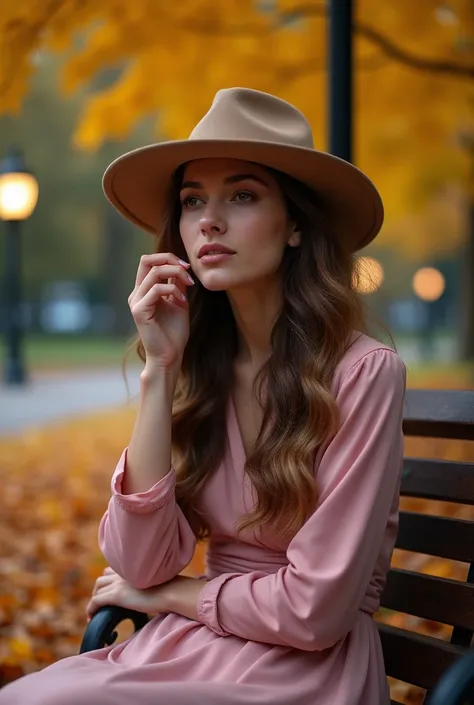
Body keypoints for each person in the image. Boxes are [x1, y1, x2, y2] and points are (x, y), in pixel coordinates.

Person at [0, 87, 406, 705]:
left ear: (296, 224)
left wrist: (168, 598)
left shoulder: (362, 372)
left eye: (242, 196)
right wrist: (160, 370)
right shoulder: (199, 365)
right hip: (192, 647)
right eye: (193, 202)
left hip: (300, 673)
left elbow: (314, 612)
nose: (209, 220)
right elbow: (139, 562)